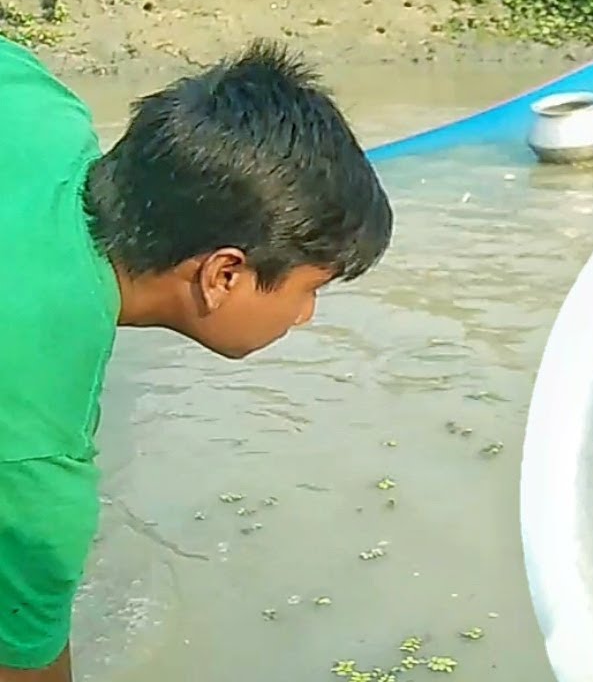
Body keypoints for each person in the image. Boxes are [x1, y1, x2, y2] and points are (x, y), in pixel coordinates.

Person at [0, 37, 393, 681]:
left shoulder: (38, 103)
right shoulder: (34, 456)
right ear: (223, 274)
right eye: (308, 289)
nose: (306, 315)